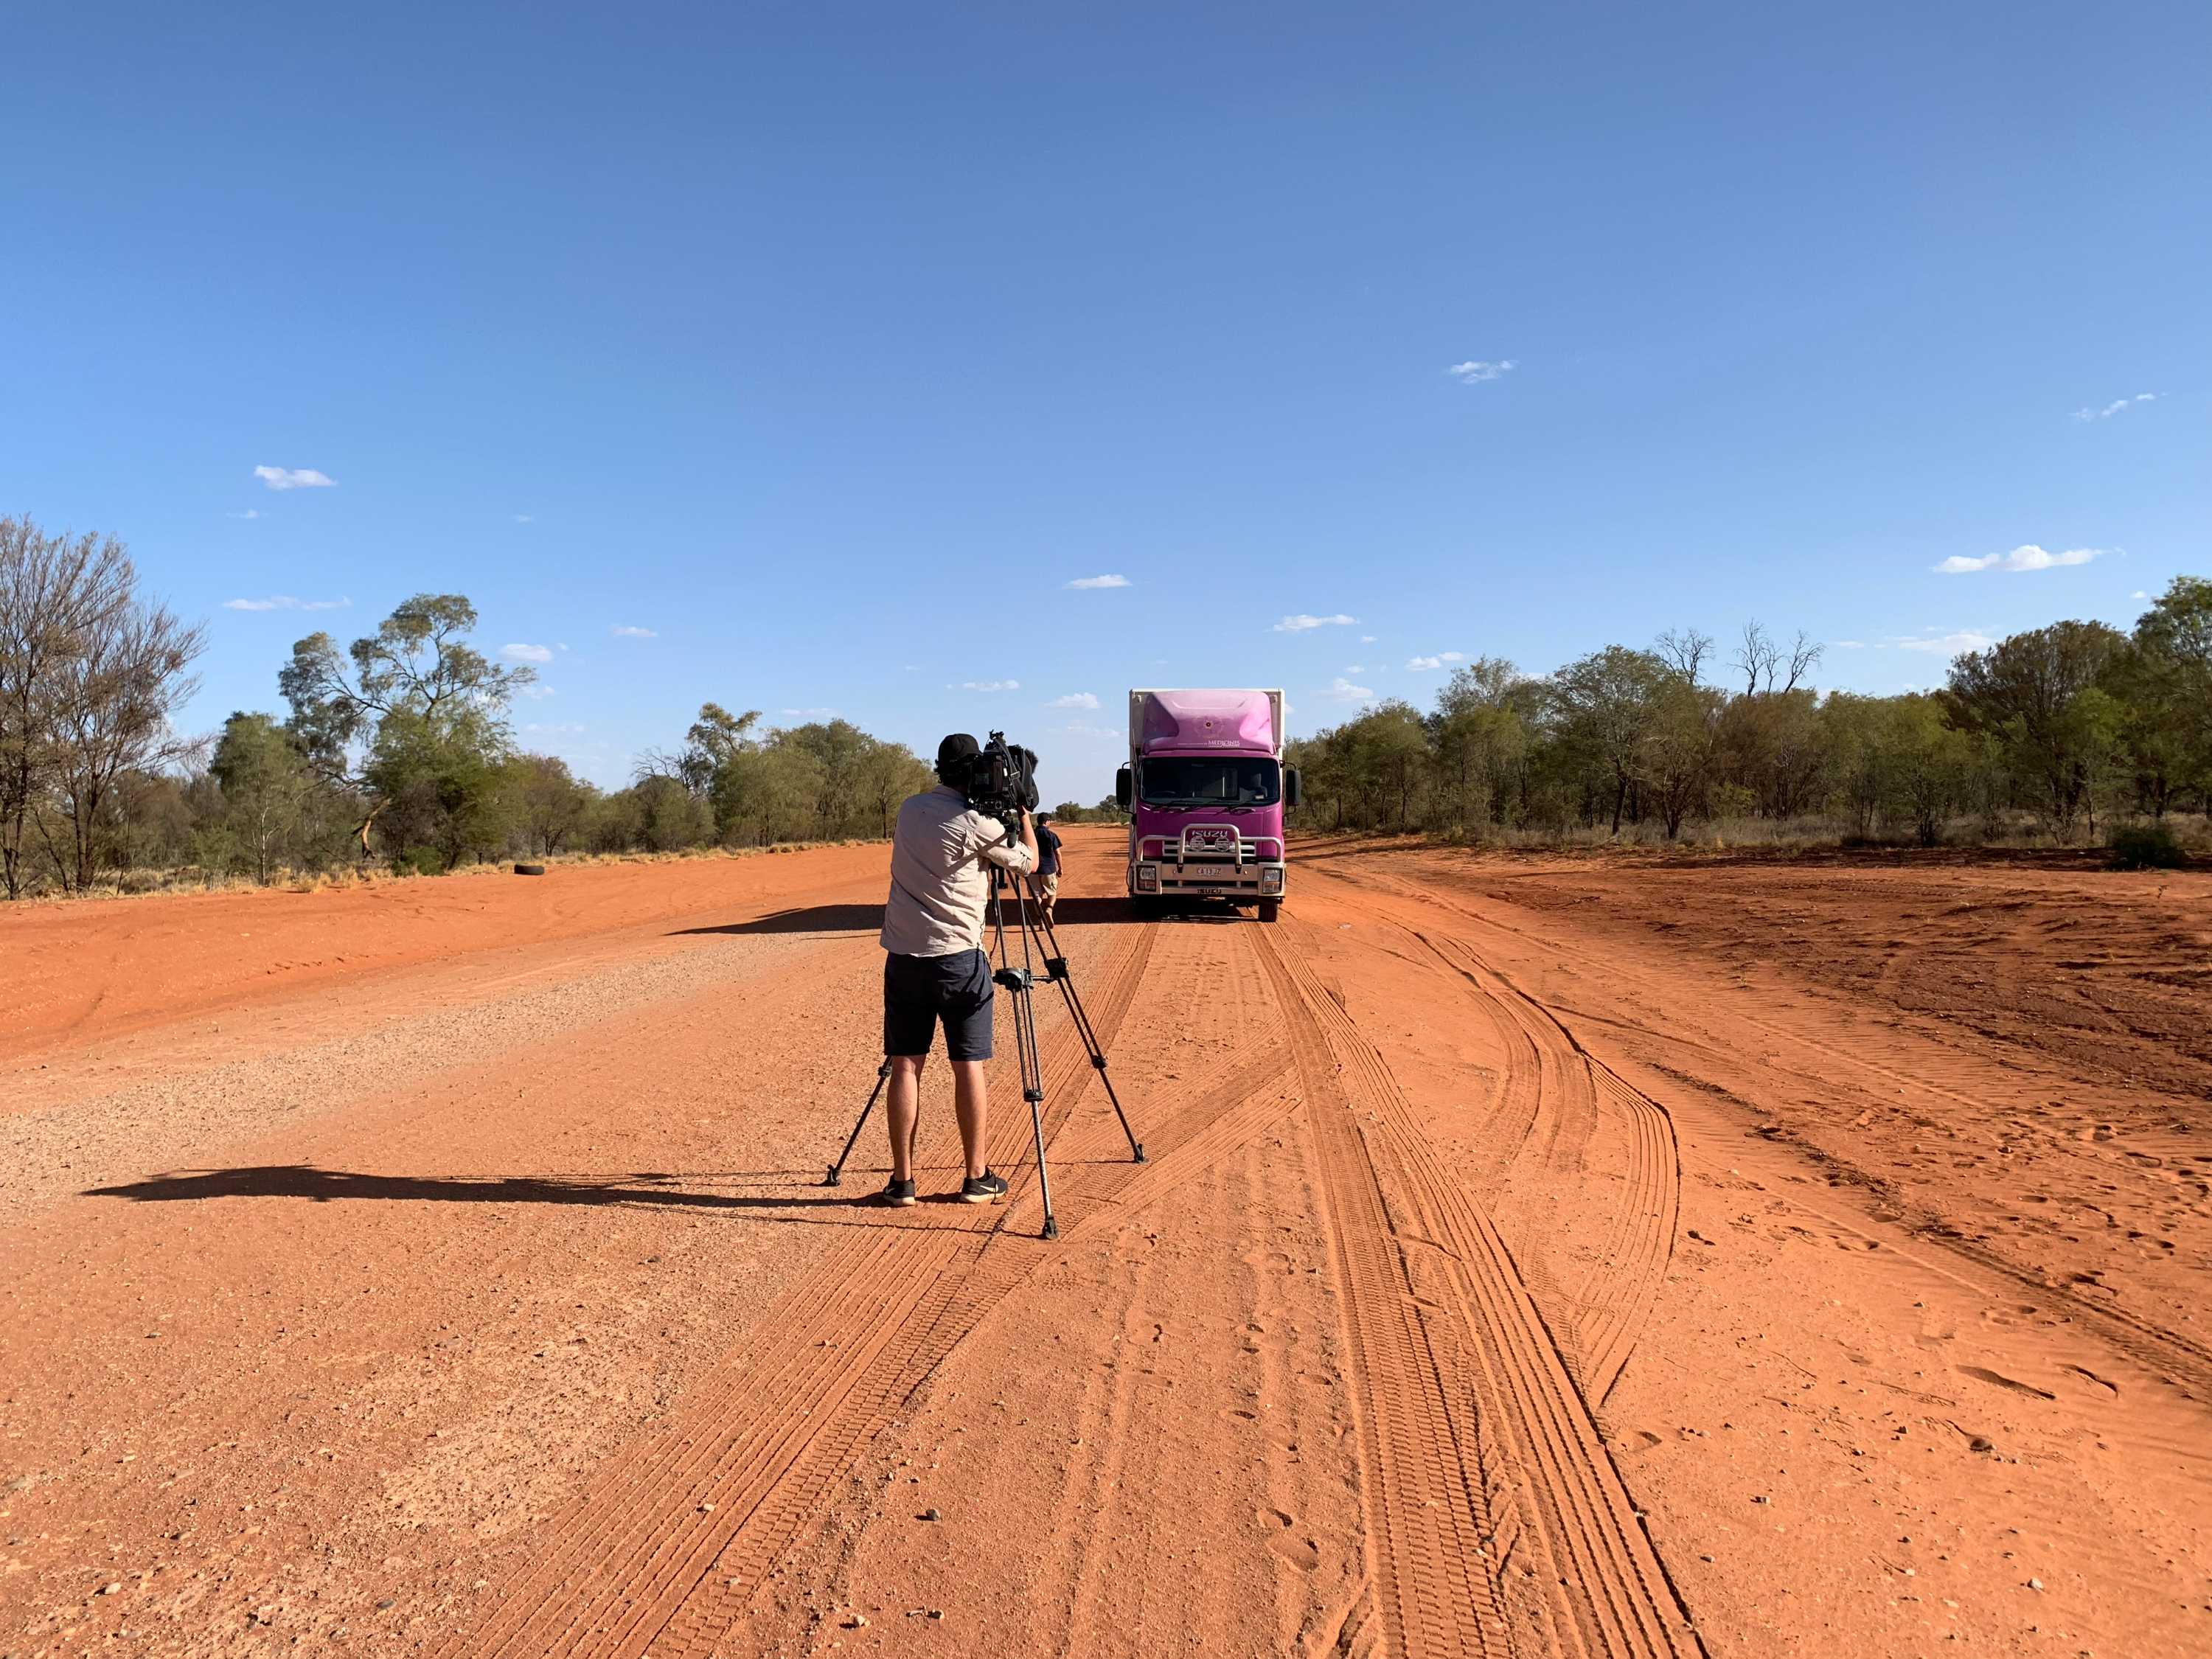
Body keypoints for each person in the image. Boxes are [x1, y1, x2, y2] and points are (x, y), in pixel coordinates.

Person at [873, 734, 1037, 1207]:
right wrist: (1023, 811)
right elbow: (1029, 863)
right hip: (959, 960)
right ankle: (976, 1177)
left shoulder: (908, 810)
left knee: (906, 1061)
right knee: (969, 1064)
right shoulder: (978, 823)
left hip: (904, 958)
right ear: (975, 774)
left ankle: (902, 1182)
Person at [1030, 811, 1063, 925]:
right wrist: (1060, 868)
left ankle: (1041, 922)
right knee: (1052, 893)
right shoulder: (1051, 835)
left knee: (1037, 897)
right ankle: (1049, 909)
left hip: (1033, 870)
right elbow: (1058, 853)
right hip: (1048, 869)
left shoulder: (1031, 835)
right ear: (1046, 822)